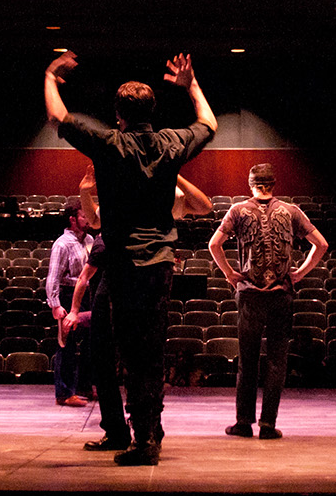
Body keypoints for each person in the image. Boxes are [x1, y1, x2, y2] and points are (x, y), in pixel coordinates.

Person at [44, 50, 216, 466]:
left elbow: (58, 119)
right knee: (148, 350)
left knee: (131, 352)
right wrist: (190, 85)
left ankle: (145, 441)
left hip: (121, 263)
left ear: (117, 113)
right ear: (151, 110)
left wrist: (51, 77)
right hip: (159, 264)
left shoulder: (108, 143)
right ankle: (147, 431)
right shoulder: (171, 143)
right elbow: (209, 125)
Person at [62, 166, 213, 452]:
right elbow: (94, 221)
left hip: (147, 274)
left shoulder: (162, 194)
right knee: (101, 354)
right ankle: (116, 431)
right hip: (114, 273)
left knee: (144, 356)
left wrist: (174, 173)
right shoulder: (120, 192)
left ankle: (150, 429)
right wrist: (84, 190)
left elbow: (204, 206)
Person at [208, 162, 327, 440]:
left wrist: (230, 274)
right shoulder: (291, 211)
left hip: (250, 294)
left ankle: (243, 422)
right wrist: (300, 273)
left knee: (247, 361)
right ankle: (268, 425)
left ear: (250, 184)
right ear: (274, 185)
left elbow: (214, 244)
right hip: (280, 295)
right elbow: (321, 244)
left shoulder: (238, 211)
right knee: (276, 361)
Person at [46, 198, 94, 407]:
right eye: (84, 216)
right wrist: (55, 304)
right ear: (73, 219)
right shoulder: (62, 244)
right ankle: (64, 393)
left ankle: (84, 386)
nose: (88, 219)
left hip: (88, 295)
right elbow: (53, 277)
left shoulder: (91, 239)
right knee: (67, 345)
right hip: (67, 294)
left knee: (92, 343)